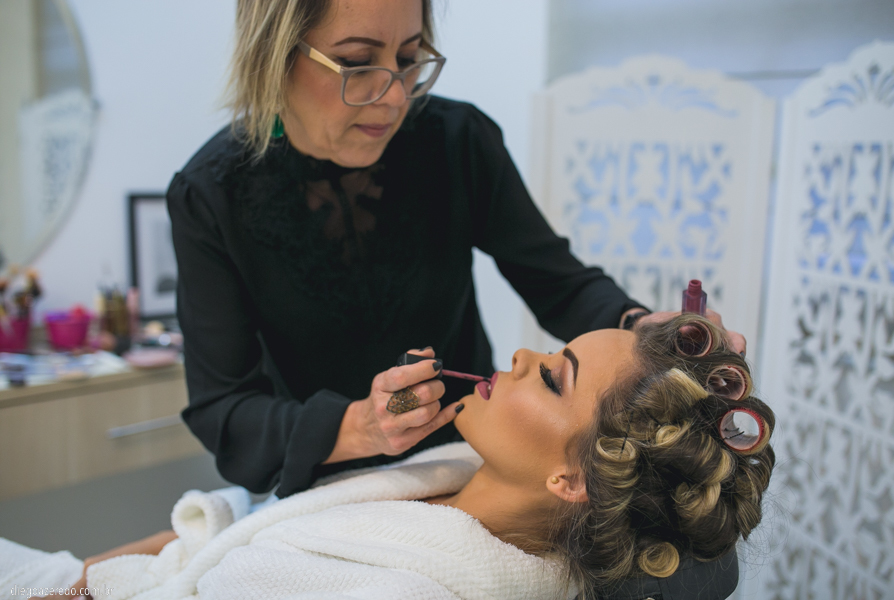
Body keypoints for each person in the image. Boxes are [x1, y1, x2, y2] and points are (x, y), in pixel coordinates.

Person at [167, 0, 748, 501]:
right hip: (323, 491)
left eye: (408, 58)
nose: (394, 95)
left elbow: (558, 282)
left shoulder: (457, 142)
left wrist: (640, 327)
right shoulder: (210, 196)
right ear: (273, 53)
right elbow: (225, 410)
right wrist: (360, 426)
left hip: (467, 468)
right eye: (357, 63)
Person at [9, 315, 772, 599]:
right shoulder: (444, 475)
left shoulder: (414, 587)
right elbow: (236, 528)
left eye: (551, 376)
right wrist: (81, 578)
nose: (518, 354)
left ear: (571, 478)